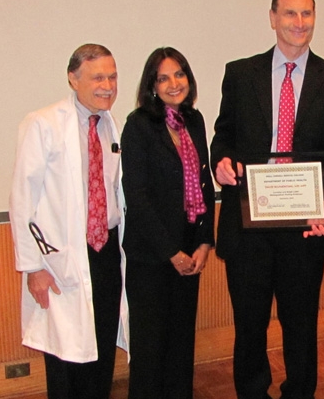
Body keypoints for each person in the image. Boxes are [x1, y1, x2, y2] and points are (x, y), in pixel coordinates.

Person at [210, 0, 324, 399]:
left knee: (301, 325)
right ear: (272, 18)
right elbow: (224, 137)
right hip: (249, 225)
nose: (299, 22)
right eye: (290, 13)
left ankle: (299, 393)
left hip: (304, 226)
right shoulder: (240, 74)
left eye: (307, 13)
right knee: (249, 325)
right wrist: (220, 161)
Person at [9, 44, 127, 399]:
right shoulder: (43, 123)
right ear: (73, 79)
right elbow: (22, 199)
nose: (107, 85)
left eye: (112, 76)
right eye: (98, 77)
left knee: (101, 346)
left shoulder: (110, 125)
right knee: (65, 358)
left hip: (104, 252)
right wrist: (34, 268)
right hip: (59, 259)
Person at [121, 47, 215, 399]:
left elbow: (204, 183)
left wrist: (204, 243)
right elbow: (137, 195)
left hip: (190, 251)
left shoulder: (195, 120)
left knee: (181, 344)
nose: (174, 83)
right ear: (152, 85)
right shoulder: (139, 125)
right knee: (149, 348)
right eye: (164, 77)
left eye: (179, 74)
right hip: (153, 256)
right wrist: (171, 252)